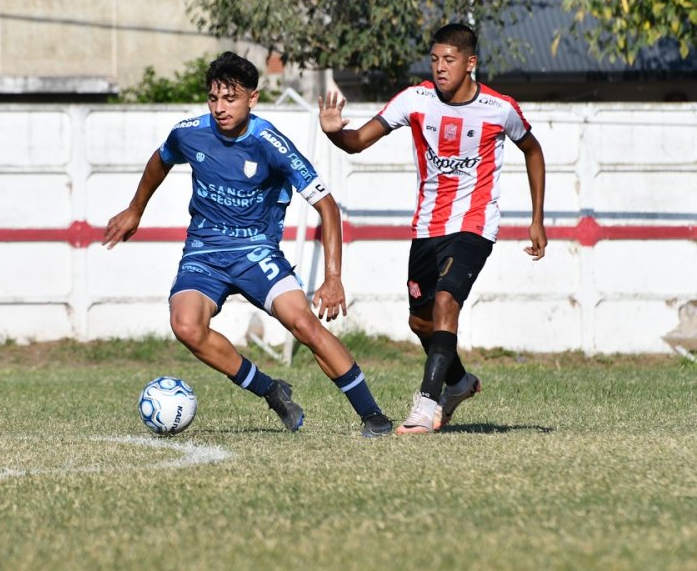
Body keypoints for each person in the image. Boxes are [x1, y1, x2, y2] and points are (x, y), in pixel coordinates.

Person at [104, 51, 393, 437]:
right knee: (186, 326)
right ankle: (270, 390)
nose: (220, 108)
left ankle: (373, 416)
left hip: (257, 251)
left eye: (230, 98)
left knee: (305, 325)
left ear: (252, 99)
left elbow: (326, 206)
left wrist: (333, 277)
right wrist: (134, 209)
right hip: (204, 251)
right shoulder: (189, 132)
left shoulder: (271, 143)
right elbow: (161, 160)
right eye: (213, 98)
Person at [318, 23, 547, 435]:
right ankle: (459, 382)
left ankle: (426, 406)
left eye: (450, 60)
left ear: (470, 63)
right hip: (427, 228)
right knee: (421, 322)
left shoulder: (499, 108)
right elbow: (357, 142)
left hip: (474, 225)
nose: (440, 67)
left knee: (446, 304)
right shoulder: (415, 99)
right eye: (435, 59)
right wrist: (336, 132)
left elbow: (532, 150)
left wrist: (536, 219)